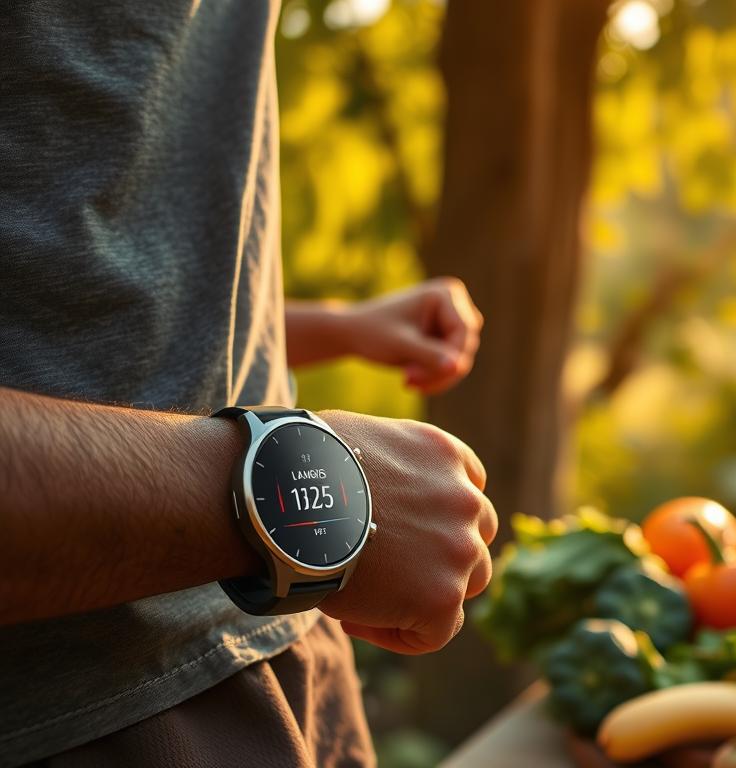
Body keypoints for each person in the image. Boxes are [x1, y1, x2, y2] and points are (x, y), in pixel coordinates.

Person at [0, 2, 497, 765]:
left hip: (288, 657)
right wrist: (316, 496)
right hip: (96, 715)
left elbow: (75, 285)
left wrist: (332, 324)